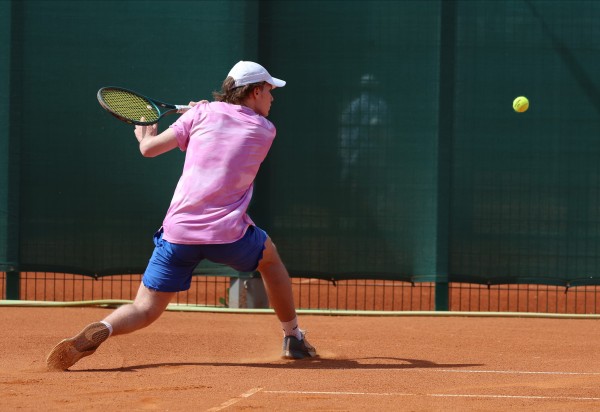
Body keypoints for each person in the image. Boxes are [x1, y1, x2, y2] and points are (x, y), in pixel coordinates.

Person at [46, 61, 317, 370]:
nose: (272, 97)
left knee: (144, 309)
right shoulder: (265, 130)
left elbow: (149, 149)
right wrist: (201, 113)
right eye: (269, 90)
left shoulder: (201, 114)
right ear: (255, 92)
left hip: (178, 235)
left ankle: (105, 327)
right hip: (229, 236)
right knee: (270, 261)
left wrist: (147, 133)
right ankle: (293, 337)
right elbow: (225, 128)